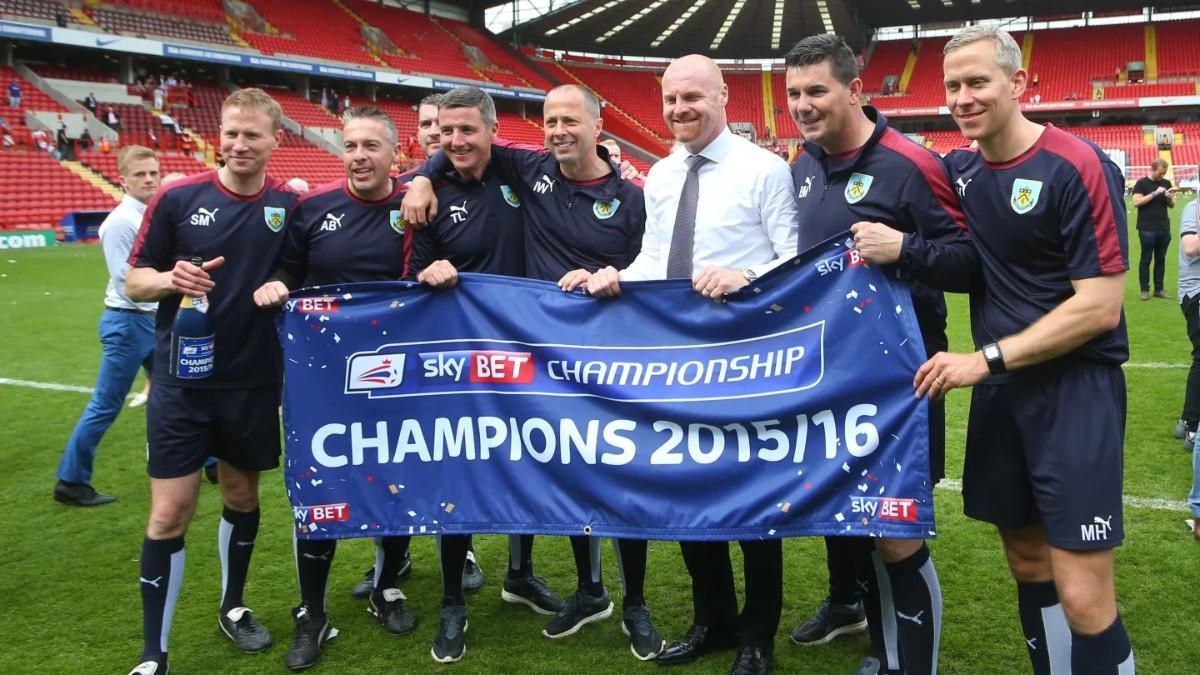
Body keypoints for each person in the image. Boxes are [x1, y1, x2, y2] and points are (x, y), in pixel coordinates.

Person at [402, 83, 653, 660]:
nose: (559, 130)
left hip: (590, 360)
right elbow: (412, 275)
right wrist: (421, 176)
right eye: (550, 120)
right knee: (469, 472)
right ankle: (459, 602)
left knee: (599, 472)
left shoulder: (623, 193)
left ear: (598, 125)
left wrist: (613, 273)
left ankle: (617, 597)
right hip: (486, 362)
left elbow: (651, 265)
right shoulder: (476, 180)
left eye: (570, 119)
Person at [928, 25, 1133, 674]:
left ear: (1017, 83)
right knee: (1025, 559)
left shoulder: (1078, 163)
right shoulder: (958, 171)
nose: (963, 97)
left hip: (1073, 393)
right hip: (1002, 397)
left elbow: (1099, 305)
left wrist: (982, 359)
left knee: (1083, 591)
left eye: (978, 82)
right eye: (953, 85)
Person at [584, 54, 798, 675]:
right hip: (675, 360)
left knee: (754, 500)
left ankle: (758, 635)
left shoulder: (764, 171)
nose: (680, 109)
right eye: (671, 98)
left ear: (723, 95)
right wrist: (611, 277)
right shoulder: (661, 174)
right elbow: (654, 260)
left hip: (746, 362)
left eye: (693, 97)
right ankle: (714, 621)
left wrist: (746, 276)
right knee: (687, 491)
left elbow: (793, 261)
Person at [784, 33, 978, 675]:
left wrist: (907, 250)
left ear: (856, 90)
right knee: (849, 517)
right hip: (829, 376)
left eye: (817, 90)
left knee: (895, 531)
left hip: (903, 380)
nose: (803, 105)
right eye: (793, 93)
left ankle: (908, 663)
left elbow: (971, 263)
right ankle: (869, 631)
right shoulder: (801, 166)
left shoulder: (912, 163)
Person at [124, 88, 301, 675]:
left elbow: (296, 264)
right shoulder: (178, 198)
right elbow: (134, 283)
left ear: (276, 140)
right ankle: (154, 652)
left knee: (241, 496)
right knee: (169, 513)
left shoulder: (288, 207)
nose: (239, 144)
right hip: (182, 382)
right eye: (231, 133)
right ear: (217, 136)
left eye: (253, 134)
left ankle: (233, 605)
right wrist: (170, 279)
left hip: (251, 383)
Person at [252, 105, 416, 671]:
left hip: (396, 376)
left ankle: (386, 585)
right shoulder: (313, 209)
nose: (359, 156)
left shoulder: (416, 206)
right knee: (320, 485)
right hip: (323, 379)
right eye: (350, 145)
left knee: (396, 479)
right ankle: (313, 612)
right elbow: (287, 272)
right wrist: (276, 286)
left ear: (397, 154)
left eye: (372, 145)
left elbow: (442, 266)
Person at [343, 90, 487, 605]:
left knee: (458, 451)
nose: (436, 135)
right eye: (427, 126)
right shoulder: (405, 194)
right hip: (401, 345)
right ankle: (392, 554)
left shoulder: (464, 176)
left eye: (441, 125)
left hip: (461, 346)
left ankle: (465, 551)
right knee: (399, 456)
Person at [53, 145, 161, 507]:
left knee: (182, 391)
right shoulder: (120, 222)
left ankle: (207, 462)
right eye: (140, 174)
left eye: (153, 173)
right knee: (106, 404)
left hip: (149, 320)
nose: (148, 179)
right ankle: (70, 481)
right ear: (123, 180)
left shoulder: (149, 214)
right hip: (129, 322)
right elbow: (124, 281)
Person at [1132, 158, 1176, 300]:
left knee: (1160, 259)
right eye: (1160, 173)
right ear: (1152, 169)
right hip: (1146, 228)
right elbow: (1136, 202)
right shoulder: (1141, 183)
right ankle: (1144, 289)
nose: (1162, 176)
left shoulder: (1166, 183)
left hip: (1163, 227)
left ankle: (1159, 289)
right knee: (1146, 258)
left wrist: (1169, 197)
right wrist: (1154, 193)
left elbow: (1172, 205)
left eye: (1164, 173)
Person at [1178, 193, 1200, 457]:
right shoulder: (1193, 208)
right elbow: (1191, 247)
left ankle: (1187, 421)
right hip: (1195, 292)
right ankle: (1192, 426)